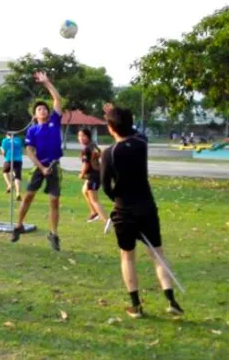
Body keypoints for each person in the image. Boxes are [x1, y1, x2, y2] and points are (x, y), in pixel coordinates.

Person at [101, 105, 184, 318]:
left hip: (124, 210)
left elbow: (106, 186)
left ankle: (136, 306)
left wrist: (117, 200)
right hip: (146, 207)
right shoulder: (141, 143)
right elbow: (138, 132)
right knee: (157, 254)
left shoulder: (109, 154)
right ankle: (171, 299)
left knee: (127, 257)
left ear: (111, 127)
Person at [11, 71, 63, 251]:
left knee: (54, 202)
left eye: (45, 108)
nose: (43, 110)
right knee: (28, 198)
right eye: (39, 109)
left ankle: (54, 234)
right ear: (35, 115)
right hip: (39, 167)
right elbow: (29, 151)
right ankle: (19, 225)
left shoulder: (55, 122)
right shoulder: (32, 131)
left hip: (54, 166)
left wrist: (47, 83)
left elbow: (57, 99)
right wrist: (41, 167)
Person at [77, 128, 108, 223]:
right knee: (84, 190)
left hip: (93, 176)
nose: (81, 138)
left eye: (83, 136)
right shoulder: (93, 146)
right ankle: (94, 212)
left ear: (88, 137)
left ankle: (106, 220)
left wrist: (82, 174)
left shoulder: (87, 149)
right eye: (79, 136)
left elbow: (86, 165)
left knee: (94, 200)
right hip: (97, 174)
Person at [0, 132, 24, 200]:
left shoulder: (5, 140)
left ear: (7, 135)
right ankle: (18, 193)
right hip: (18, 160)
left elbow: (3, 152)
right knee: (17, 177)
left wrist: (3, 152)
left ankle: (10, 184)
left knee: (5, 172)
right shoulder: (18, 140)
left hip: (9, 159)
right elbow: (21, 150)